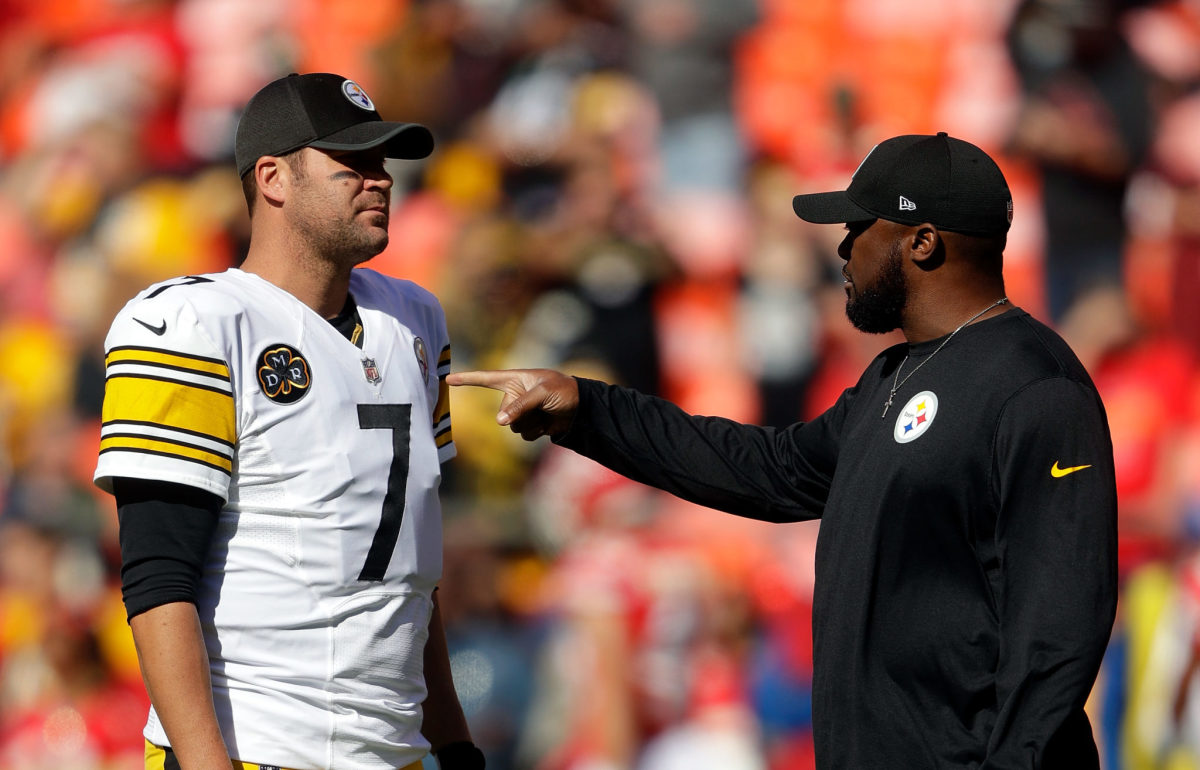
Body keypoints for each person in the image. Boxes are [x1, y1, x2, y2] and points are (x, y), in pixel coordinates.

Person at [450, 133, 1118, 768]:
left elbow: (1058, 630)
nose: (842, 250)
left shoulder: (1036, 388)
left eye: (860, 229)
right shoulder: (893, 378)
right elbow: (768, 471)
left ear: (920, 242)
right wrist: (590, 409)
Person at [93, 72, 485, 770]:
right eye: (352, 164)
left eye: (383, 163)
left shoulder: (414, 319)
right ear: (273, 178)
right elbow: (158, 580)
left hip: (399, 752)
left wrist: (452, 740)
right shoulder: (193, 323)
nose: (381, 181)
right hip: (261, 750)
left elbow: (406, 571)